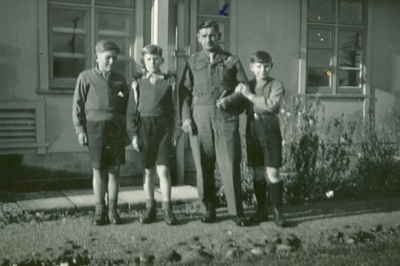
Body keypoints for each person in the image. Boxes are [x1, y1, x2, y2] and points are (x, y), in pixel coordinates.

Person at [180, 20, 248, 225]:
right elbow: (184, 93)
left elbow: (244, 87)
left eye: (212, 35)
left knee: (230, 166)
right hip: (200, 118)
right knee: (203, 167)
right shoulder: (192, 62)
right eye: (204, 35)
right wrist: (185, 118)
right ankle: (208, 209)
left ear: (218, 36)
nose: (208, 39)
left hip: (225, 117)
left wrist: (231, 100)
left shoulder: (231, 60)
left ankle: (236, 212)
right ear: (199, 38)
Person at [72, 40, 129, 226]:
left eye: (114, 58)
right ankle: (100, 210)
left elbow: (127, 106)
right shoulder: (85, 77)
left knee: (114, 171)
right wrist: (80, 130)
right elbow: (77, 106)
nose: (111, 61)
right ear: (97, 57)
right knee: (98, 171)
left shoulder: (121, 79)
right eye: (107, 58)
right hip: (95, 128)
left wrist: (127, 131)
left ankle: (113, 209)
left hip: (116, 129)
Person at [126, 44, 181, 225]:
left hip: (164, 128)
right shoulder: (137, 82)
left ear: (162, 60)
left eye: (155, 59)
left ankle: (167, 209)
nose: (152, 62)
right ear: (143, 61)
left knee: (163, 170)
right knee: (148, 171)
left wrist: (176, 131)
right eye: (148, 59)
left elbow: (176, 109)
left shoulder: (170, 81)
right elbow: (131, 111)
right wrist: (133, 135)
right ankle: (150, 208)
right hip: (145, 128)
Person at [235, 51, 286, 226]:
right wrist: (235, 94)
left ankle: (278, 212)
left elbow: (271, 105)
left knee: (273, 171)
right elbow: (238, 105)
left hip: (269, 127)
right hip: (252, 128)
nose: (262, 69)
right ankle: (261, 210)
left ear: (271, 66)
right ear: (252, 67)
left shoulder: (276, 84)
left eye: (266, 66)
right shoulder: (247, 84)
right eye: (258, 66)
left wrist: (248, 95)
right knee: (257, 171)